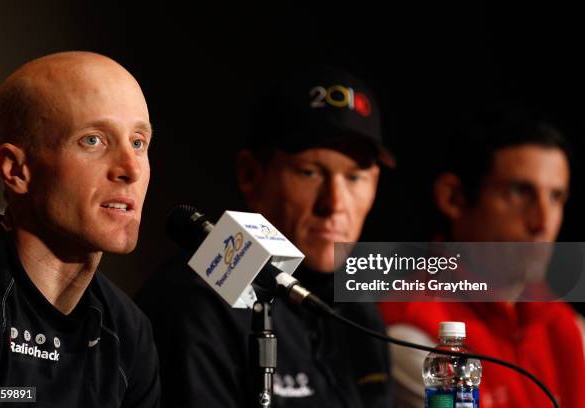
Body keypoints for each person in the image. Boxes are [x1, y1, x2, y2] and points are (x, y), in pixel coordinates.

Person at [138, 66, 394, 407]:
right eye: (310, 172)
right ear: (251, 175)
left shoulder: (360, 311)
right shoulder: (197, 298)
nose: (335, 204)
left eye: (355, 177)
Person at [0, 51, 160, 407]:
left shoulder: (128, 329)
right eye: (93, 140)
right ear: (16, 170)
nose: (130, 169)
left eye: (138, 143)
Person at [379, 109, 585, 408]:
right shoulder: (409, 333)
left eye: (555, 197)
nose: (543, 221)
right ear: (454, 198)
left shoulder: (569, 326)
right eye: (519, 192)